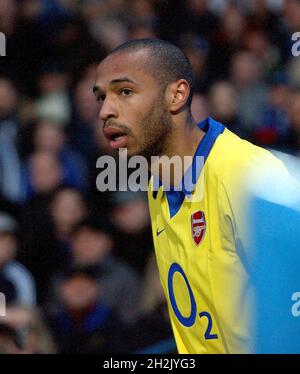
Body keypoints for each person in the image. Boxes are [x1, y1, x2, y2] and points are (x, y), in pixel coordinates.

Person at [93, 39, 298, 354]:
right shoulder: (158, 184)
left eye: (125, 92)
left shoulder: (247, 175)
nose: (106, 110)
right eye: (101, 97)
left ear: (176, 95)